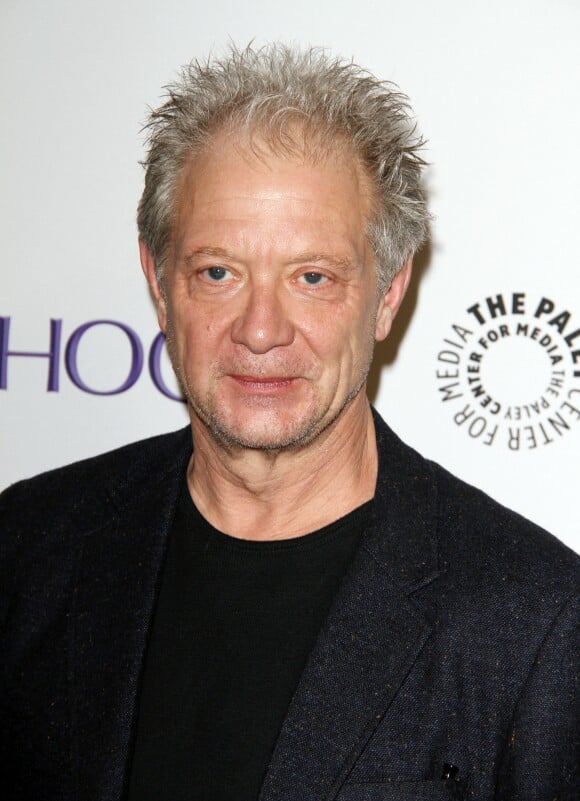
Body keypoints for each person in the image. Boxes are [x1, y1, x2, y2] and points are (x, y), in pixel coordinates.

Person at [0, 43, 578, 801]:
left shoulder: (530, 619)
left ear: (388, 293)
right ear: (158, 280)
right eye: (218, 272)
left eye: (312, 277)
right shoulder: (29, 547)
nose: (262, 328)